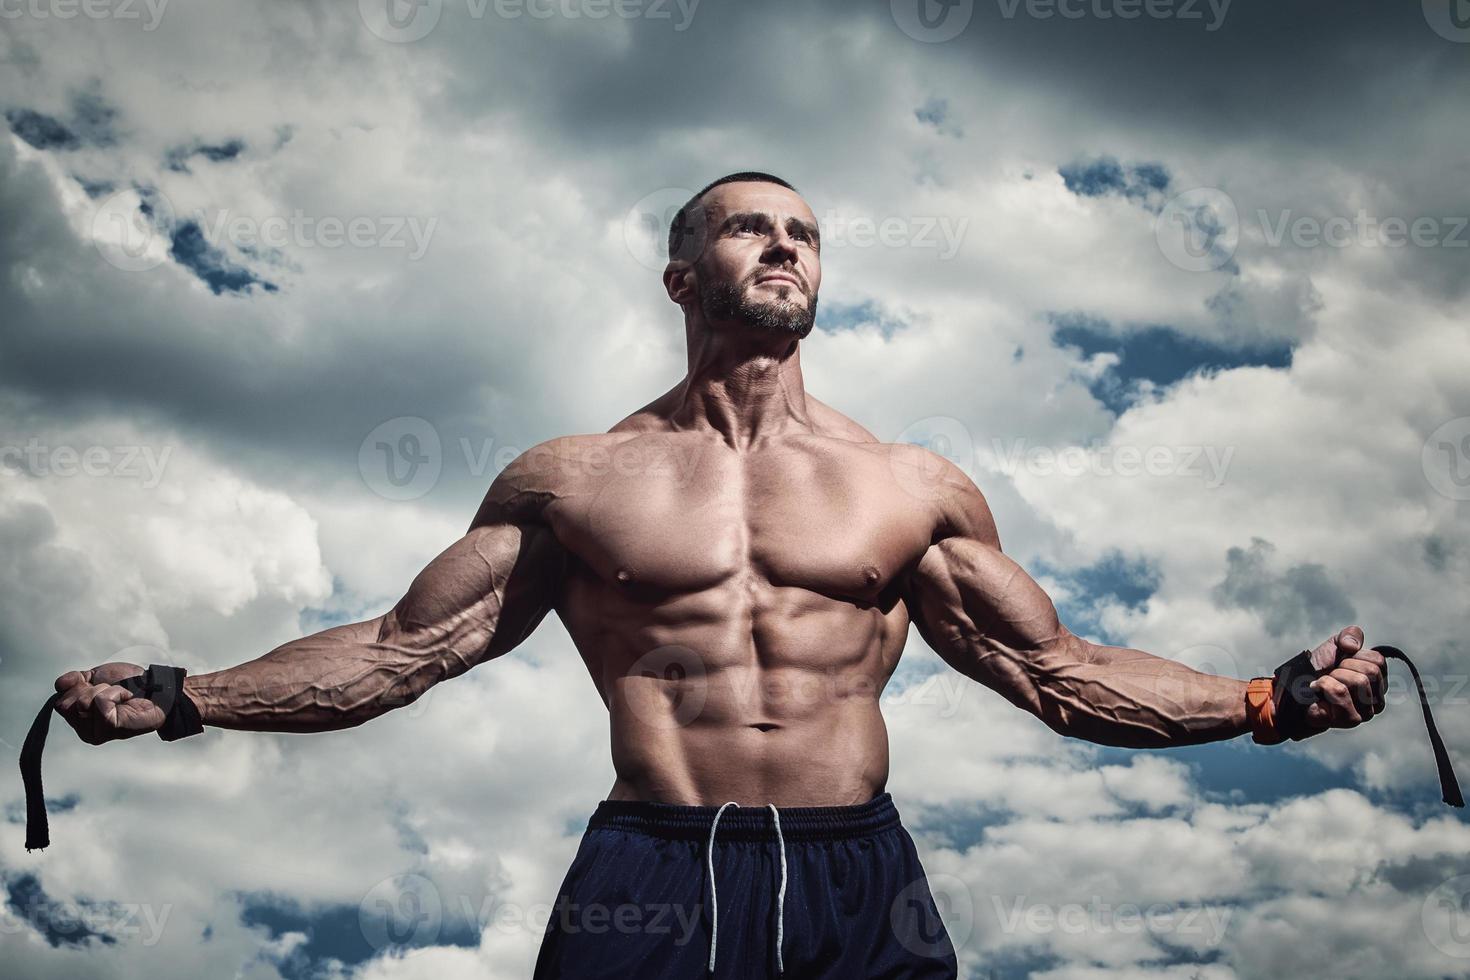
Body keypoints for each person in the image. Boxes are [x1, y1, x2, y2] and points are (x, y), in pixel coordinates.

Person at [51, 172, 1390, 978]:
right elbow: (406, 651)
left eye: (803, 232)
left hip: (857, 871)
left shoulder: (911, 487)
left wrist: (1264, 702)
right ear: (683, 274)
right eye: (751, 228)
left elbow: (1053, 671)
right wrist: (186, 694)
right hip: (650, 860)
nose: (785, 246)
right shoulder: (571, 479)